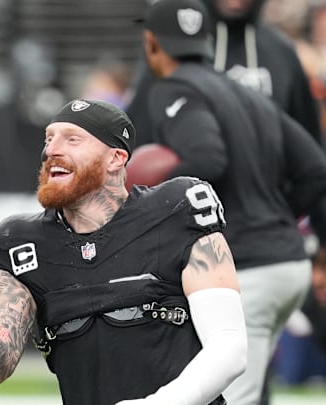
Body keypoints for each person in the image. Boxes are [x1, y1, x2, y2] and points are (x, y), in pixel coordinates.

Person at [0, 98, 247, 405]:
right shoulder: (21, 241)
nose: (51, 150)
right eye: (48, 138)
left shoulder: (177, 210)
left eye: (72, 139)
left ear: (116, 158)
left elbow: (229, 347)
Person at [138, 0, 326, 403]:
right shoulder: (245, 92)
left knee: (229, 396)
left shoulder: (172, 86)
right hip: (287, 264)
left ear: (151, 43)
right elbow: (315, 166)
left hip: (250, 270)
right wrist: (277, 219)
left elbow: (208, 158)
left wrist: (150, 204)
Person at [127, 0, 322, 149]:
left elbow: (310, 142)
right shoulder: (172, 47)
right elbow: (139, 134)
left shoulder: (281, 52)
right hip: (187, 194)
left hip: (261, 197)